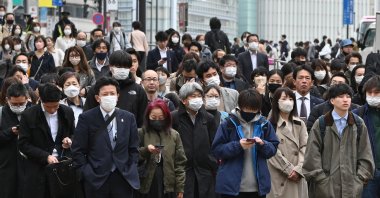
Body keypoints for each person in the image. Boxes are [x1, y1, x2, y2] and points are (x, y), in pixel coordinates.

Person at [72, 77, 140, 198]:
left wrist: (131, 168)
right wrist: (87, 173)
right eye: (105, 94)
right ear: (98, 98)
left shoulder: (128, 117)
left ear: (118, 96)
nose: (109, 96)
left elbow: (134, 148)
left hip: (123, 177)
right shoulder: (86, 118)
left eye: (112, 93)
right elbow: (78, 150)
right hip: (96, 179)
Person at [303, 83, 374, 198]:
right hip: (324, 189)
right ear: (332, 100)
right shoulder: (321, 123)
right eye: (341, 97)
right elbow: (312, 156)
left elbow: (366, 155)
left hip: (352, 188)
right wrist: (322, 181)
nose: (345, 100)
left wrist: (359, 180)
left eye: (348, 96)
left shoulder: (358, 124)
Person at [211, 89, 279, 198]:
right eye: (247, 108)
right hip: (231, 187)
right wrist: (238, 145)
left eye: (254, 109)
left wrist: (262, 144)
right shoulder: (228, 123)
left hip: (258, 187)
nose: (250, 112)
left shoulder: (264, 124)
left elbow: (273, 149)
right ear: (240, 106)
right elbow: (217, 150)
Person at [18, 83, 75, 198]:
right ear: (41, 101)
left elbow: (74, 133)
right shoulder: (28, 115)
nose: (53, 110)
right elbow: (23, 144)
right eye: (49, 107)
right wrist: (45, 156)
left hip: (62, 166)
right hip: (38, 168)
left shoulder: (67, 112)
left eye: (56, 106)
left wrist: (70, 140)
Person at [171, 82, 218, 198]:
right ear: (183, 100)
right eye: (193, 96)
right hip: (183, 173)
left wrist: (211, 162)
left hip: (205, 172)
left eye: (199, 96)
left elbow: (214, 144)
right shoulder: (174, 118)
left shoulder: (209, 118)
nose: (197, 99)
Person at [84, 50, 148, 128]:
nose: (122, 69)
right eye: (118, 66)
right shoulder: (97, 88)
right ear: (110, 67)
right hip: (100, 134)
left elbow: (142, 120)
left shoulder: (138, 90)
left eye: (125, 67)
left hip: (129, 135)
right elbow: (87, 115)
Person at [137, 99, 187, 198]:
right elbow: (132, 156)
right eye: (153, 117)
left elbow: (180, 163)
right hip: (146, 182)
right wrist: (146, 150)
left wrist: (180, 188)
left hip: (168, 183)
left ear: (166, 117)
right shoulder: (141, 133)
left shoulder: (174, 135)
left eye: (161, 117)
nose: (157, 120)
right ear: (148, 117)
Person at [267, 87, 308, 198]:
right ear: (276, 102)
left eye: (291, 99)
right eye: (284, 99)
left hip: (298, 175)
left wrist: (299, 169)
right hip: (279, 174)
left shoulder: (300, 124)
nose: (288, 102)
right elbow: (272, 151)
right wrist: (289, 169)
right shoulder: (269, 125)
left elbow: (305, 147)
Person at [0, 82, 31, 198]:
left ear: (27, 98)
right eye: (14, 104)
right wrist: (10, 132)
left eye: (21, 103)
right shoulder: (1, 113)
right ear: (7, 99)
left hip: (30, 166)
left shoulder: (34, 112)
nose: (18, 106)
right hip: (6, 167)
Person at [352, 75, 380, 197]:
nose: (373, 96)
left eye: (377, 92)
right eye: (370, 93)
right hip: (368, 173)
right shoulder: (357, 115)